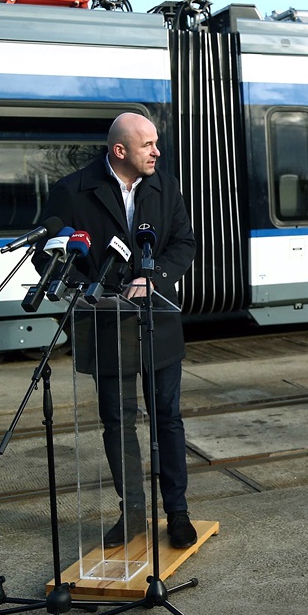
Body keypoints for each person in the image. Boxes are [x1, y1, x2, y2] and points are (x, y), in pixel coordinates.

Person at [37, 112, 199, 547]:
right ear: (120, 150)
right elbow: (46, 252)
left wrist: (155, 278)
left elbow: (184, 244)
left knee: (167, 418)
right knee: (118, 422)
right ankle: (133, 515)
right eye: (148, 145)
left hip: (158, 320)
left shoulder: (164, 187)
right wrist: (80, 286)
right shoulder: (72, 190)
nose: (157, 152)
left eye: (156, 143)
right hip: (105, 323)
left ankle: (177, 513)